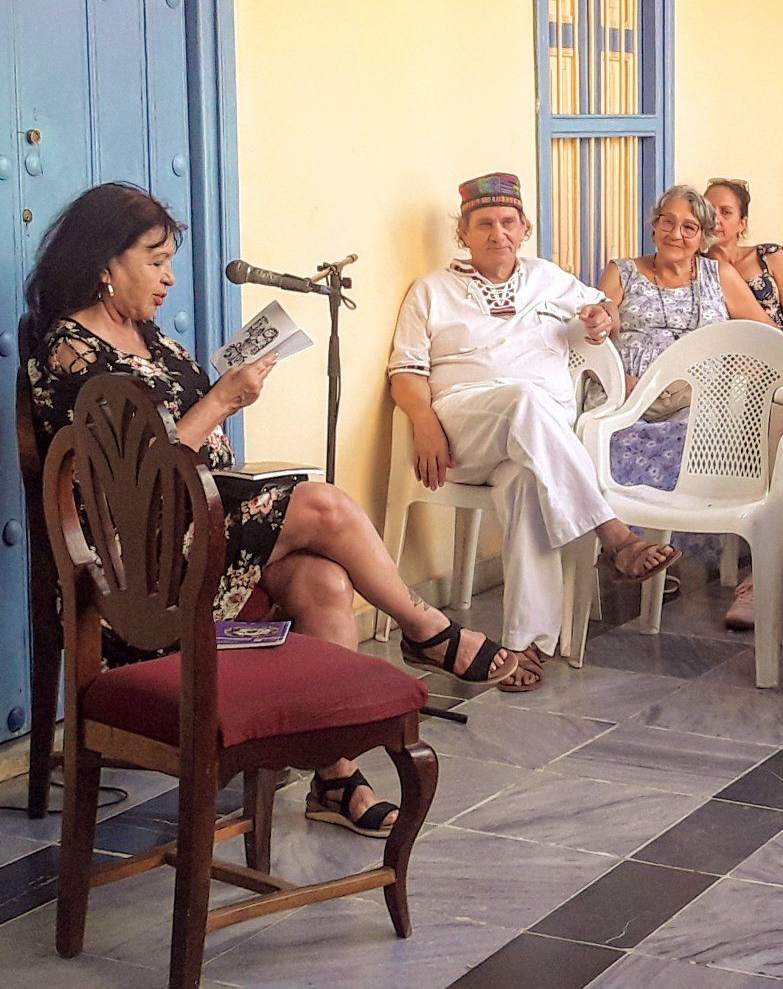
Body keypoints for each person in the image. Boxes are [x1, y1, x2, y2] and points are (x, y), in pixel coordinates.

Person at [27, 183, 516, 840]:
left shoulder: (152, 340)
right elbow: (129, 483)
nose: (170, 277)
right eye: (155, 260)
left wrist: (226, 397)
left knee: (325, 580)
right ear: (105, 264)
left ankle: (336, 777)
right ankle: (425, 628)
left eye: (171, 260)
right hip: (136, 566)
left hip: (196, 525)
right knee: (320, 502)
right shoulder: (72, 352)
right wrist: (221, 401)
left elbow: (199, 445)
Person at [390, 174, 682, 691]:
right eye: (483, 224)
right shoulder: (431, 291)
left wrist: (603, 316)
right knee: (523, 398)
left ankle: (525, 644)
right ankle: (613, 536)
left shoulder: (550, 278)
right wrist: (424, 422)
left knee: (526, 484)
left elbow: (605, 310)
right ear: (464, 232)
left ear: (523, 228)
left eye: (507, 222)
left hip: (537, 442)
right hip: (464, 428)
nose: (496, 233)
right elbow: (406, 372)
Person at [599, 185, 772, 617]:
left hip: (703, 402)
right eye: (668, 222)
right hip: (632, 397)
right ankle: (637, 546)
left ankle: (663, 547)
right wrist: (619, 361)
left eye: (690, 227)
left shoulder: (719, 276)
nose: (676, 233)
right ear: (654, 225)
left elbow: (763, 336)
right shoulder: (622, 272)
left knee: (694, 438)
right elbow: (601, 321)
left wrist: (735, 374)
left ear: (704, 236)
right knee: (612, 441)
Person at [704, 179, 783, 341]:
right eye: (708, 211)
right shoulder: (697, 267)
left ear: (742, 223)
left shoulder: (768, 256)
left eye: (726, 212)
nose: (715, 220)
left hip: (775, 349)